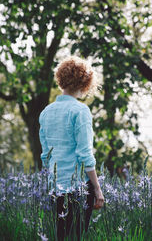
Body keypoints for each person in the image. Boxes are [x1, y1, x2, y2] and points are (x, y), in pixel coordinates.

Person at [39, 56, 104, 241]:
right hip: (79, 188)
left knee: (60, 236)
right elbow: (85, 154)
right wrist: (98, 189)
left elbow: (46, 156)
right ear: (85, 82)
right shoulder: (80, 111)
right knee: (77, 236)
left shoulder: (46, 113)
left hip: (55, 187)